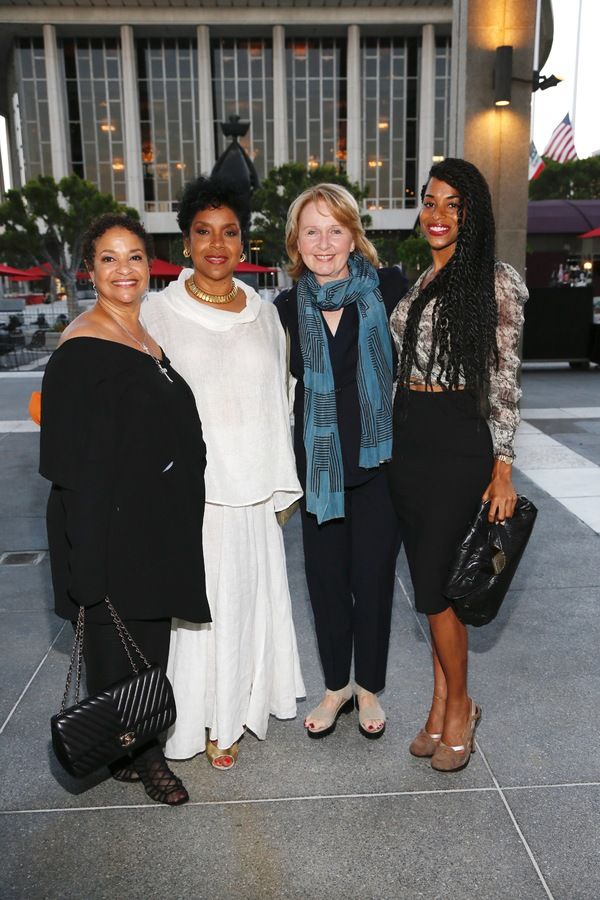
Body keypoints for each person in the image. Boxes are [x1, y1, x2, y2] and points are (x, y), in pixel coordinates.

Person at [40, 213, 210, 805]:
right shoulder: (81, 349)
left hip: (151, 527)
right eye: (109, 258)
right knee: (123, 652)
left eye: (134, 256)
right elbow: (70, 466)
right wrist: (86, 560)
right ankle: (146, 755)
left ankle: (125, 747)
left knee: (147, 644)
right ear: (90, 270)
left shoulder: (142, 335)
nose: (124, 269)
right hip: (107, 530)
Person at [142, 176, 304, 770]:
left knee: (243, 605)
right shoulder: (156, 313)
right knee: (198, 613)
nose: (217, 244)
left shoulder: (264, 314)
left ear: (244, 241)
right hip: (192, 496)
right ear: (186, 242)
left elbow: (279, 399)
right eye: (203, 232)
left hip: (252, 492)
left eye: (229, 232)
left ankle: (232, 716)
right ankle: (191, 719)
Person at [387, 158, 528, 771]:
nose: (437, 215)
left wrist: (502, 464)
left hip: (458, 441)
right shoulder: (421, 279)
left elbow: (504, 378)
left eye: (452, 204)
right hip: (410, 441)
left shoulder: (493, 282)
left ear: (472, 214)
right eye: (429, 201)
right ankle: (440, 704)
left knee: (444, 589)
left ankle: (463, 704)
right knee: (426, 586)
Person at [275, 184, 407, 740]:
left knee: (374, 580)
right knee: (326, 581)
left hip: (381, 466)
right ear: (296, 242)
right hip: (321, 472)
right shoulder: (282, 310)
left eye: (335, 229)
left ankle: (369, 685)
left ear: (354, 235)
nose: (324, 242)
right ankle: (336, 686)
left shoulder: (392, 289)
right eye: (312, 231)